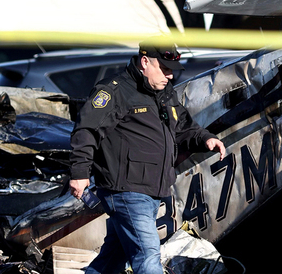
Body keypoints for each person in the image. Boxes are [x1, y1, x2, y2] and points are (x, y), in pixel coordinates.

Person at [69, 43, 226, 274]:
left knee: (112, 259)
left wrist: (205, 138)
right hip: (125, 191)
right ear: (145, 62)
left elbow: (183, 126)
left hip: (151, 189)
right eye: (164, 68)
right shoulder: (115, 91)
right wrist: (80, 172)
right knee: (147, 255)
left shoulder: (164, 93)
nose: (170, 75)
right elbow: (86, 129)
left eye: (172, 69)